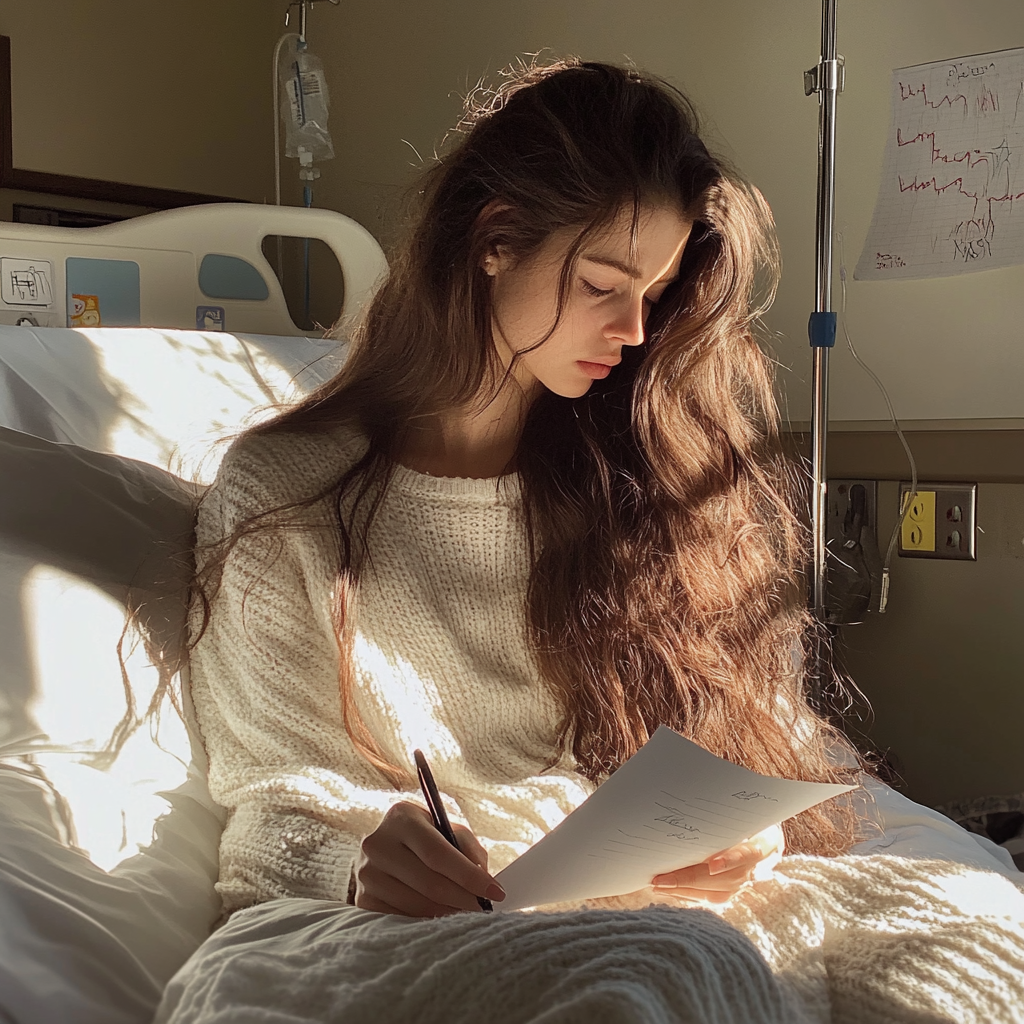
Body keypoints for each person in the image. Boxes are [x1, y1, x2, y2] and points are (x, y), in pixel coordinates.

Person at [186, 57, 863, 928]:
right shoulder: (285, 498)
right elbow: (269, 809)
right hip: (443, 927)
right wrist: (353, 867)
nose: (633, 332)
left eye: (653, 296)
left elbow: (763, 730)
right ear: (495, 240)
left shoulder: (642, 483)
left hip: (645, 908)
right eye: (601, 286)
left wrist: (747, 834)